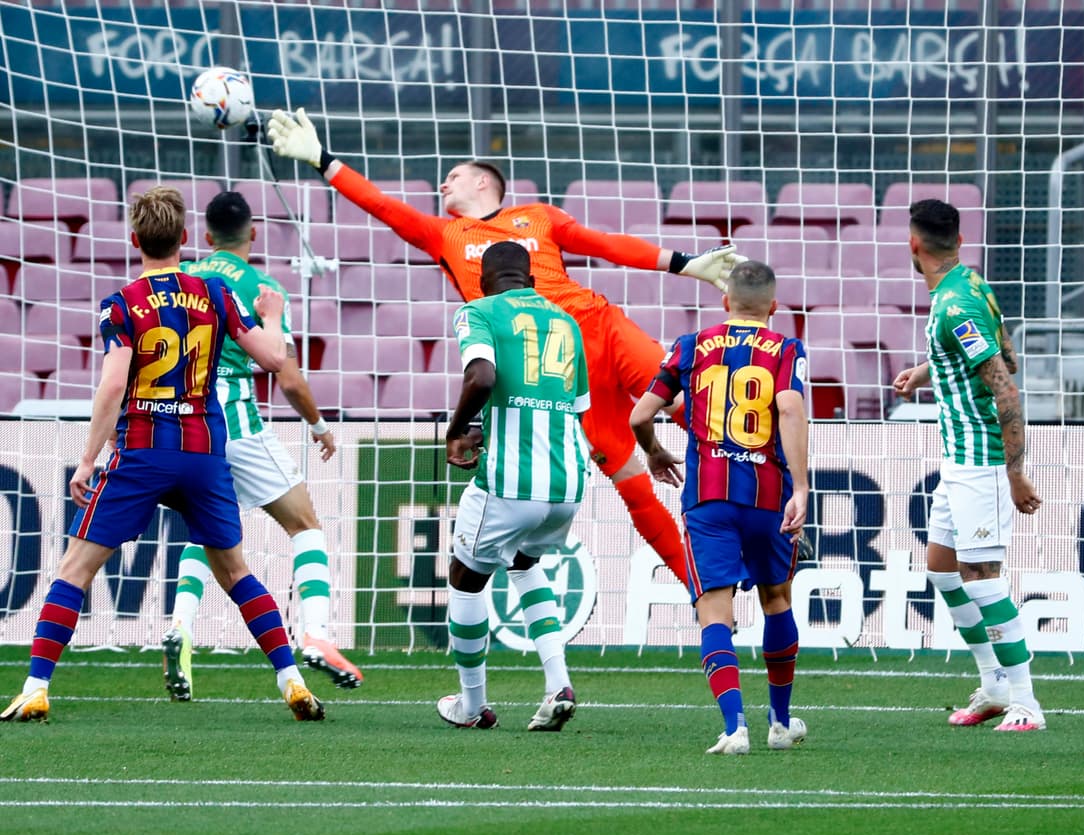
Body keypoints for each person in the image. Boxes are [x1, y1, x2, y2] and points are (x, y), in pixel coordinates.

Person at [267, 108, 743, 591]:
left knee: (689, 405)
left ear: (483, 184)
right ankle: (702, 594)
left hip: (597, 326)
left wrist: (685, 265)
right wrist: (323, 160)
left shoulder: (538, 217)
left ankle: (759, 498)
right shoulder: (445, 234)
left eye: (452, 177)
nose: (442, 186)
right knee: (632, 481)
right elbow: (383, 207)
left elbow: (604, 244)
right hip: (558, 372)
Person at [1, 186, 324, 723]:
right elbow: (272, 359)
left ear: (134, 240)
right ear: (183, 239)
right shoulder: (215, 292)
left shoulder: (122, 303)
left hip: (145, 450)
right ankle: (291, 681)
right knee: (237, 573)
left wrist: (87, 460)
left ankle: (36, 687)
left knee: (74, 571)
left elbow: (110, 387)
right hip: (202, 451)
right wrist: (272, 312)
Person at [160, 190, 362, 702]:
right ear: (253, 234)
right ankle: (314, 632)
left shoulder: (181, 282)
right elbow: (288, 377)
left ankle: (180, 624)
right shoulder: (262, 287)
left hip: (182, 422)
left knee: (208, 530)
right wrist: (319, 427)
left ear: (204, 238)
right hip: (236, 419)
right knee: (305, 525)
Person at [630, 260, 809, 755]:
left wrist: (654, 451)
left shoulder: (691, 346)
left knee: (714, 609)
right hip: (767, 496)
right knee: (777, 598)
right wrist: (800, 487)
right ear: (774, 307)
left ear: (725, 301)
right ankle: (780, 721)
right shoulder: (787, 349)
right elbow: (791, 408)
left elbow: (640, 414)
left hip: (708, 497)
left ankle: (735, 729)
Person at [892, 198, 1045, 733]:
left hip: (982, 460)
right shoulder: (971, 286)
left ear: (915, 244)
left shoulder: (957, 305)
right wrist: (925, 371)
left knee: (982, 578)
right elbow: (1002, 356)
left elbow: (1005, 382)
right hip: (958, 458)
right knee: (941, 568)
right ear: (958, 241)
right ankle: (995, 686)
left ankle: (1027, 702)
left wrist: (1015, 469)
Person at [434, 241, 591, 732]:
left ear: (484, 279)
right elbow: (574, 406)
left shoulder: (478, 311)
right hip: (566, 481)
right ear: (532, 279)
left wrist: (458, 428)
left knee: (466, 576)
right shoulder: (566, 322)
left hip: (510, 481)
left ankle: (472, 704)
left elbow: (481, 377)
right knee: (524, 564)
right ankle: (558, 684)